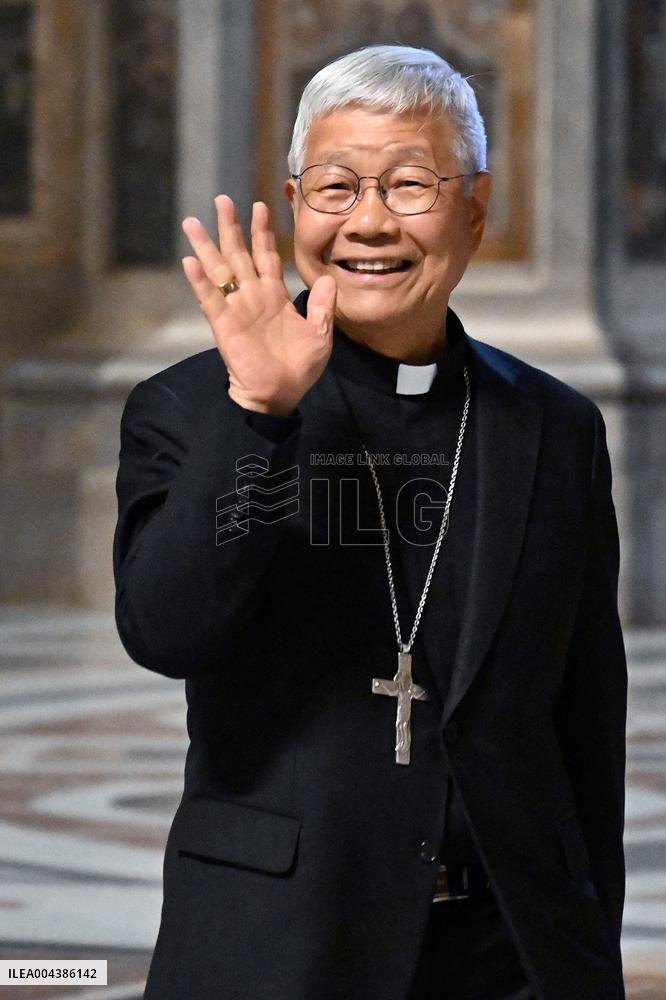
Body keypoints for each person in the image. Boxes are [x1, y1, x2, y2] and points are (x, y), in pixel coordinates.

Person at [113, 45, 627, 1000]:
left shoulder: (555, 428)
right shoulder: (190, 410)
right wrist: (256, 414)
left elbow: (585, 722)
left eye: (410, 185)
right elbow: (166, 629)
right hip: (276, 949)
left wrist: (586, 955)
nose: (371, 222)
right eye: (337, 187)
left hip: (513, 955)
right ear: (295, 203)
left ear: (475, 207)